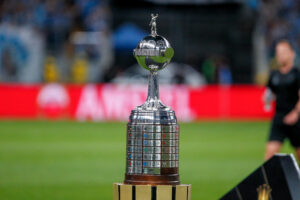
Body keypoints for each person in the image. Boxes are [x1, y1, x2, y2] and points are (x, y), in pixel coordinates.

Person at [264, 40, 300, 161]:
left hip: (296, 119)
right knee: (269, 155)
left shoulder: (297, 74)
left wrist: (295, 113)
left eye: (284, 52)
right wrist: (267, 100)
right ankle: (270, 180)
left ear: (292, 54)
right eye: (278, 53)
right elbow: (270, 93)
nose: (281, 55)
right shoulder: (274, 75)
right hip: (279, 117)